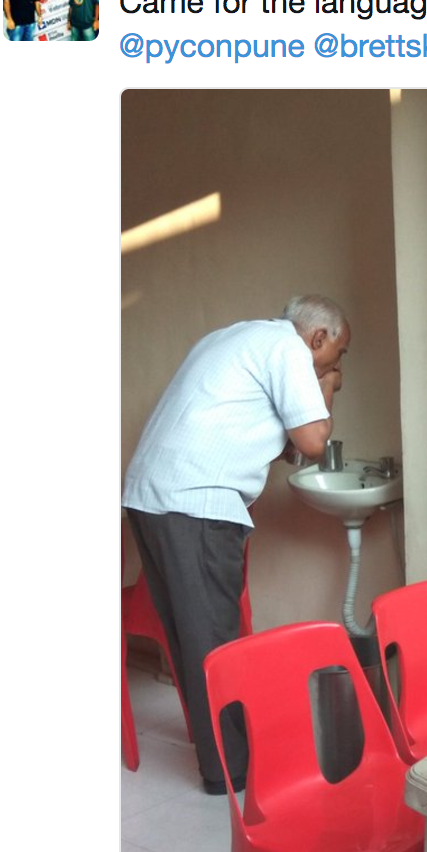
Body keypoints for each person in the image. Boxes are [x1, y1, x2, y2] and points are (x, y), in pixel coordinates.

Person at [123, 295, 349, 794]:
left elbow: (289, 446)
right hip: (193, 502)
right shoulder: (288, 349)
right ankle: (233, 771)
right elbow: (314, 441)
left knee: (192, 641)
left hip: (150, 497)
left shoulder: (237, 336)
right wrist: (327, 386)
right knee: (215, 645)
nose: (338, 366)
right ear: (317, 339)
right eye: (338, 354)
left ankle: (217, 760)